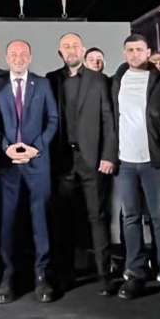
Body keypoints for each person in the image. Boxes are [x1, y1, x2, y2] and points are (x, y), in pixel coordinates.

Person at [111, 35, 160, 304]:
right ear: (124, 53)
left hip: (155, 162)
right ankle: (135, 273)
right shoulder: (116, 81)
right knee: (130, 218)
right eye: (130, 50)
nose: (134, 54)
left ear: (148, 52)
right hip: (125, 163)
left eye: (139, 50)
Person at [46, 32, 118, 296]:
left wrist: (109, 155)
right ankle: (65, 275)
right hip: (62, 161)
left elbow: (109, 120)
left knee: (97, 218)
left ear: (83, 49)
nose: (71, 50)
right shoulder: (51, 80)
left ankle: (105, 276)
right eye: (66, 46)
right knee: (62, 221)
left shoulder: (98, 80)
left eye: (75, 45)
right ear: (60, 53)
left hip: (93, 159)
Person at [0, 40, 59, 304]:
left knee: (40, 220)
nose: (18, 58)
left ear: (30, 58)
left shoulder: (42, 84)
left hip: (37, 163)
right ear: (7, 58)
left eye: (23, 54)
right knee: (7, 221)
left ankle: (42, 275)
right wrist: (6, 148)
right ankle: (7, 276)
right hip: (7, 164)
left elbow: (53, 120)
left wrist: (36, 148)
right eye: (14, 54)